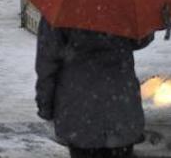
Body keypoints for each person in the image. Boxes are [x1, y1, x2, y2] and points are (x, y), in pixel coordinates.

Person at [35, 19, 153, 158]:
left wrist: (46, 106)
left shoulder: (60, 13)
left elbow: (47, 65)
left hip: (79, 114)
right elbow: (141, 39)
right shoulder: (122, 5)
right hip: (121, 109)